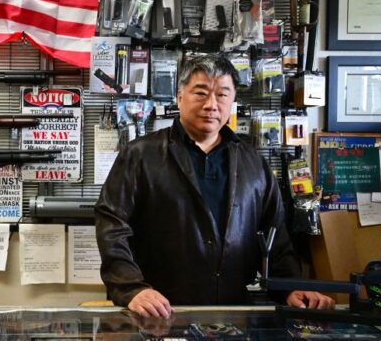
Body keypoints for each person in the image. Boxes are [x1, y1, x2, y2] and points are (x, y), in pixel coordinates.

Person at [95, 55, 334, 318]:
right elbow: (112, 224)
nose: (211, 105)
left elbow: (275, 235)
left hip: (232, 312)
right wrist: (131, 288)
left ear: (232, 101)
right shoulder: (140, 155)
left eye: (222, 95)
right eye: (200, 93)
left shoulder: (252, 161)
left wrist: (289, 287)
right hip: (158, 311)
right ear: (179, 96)